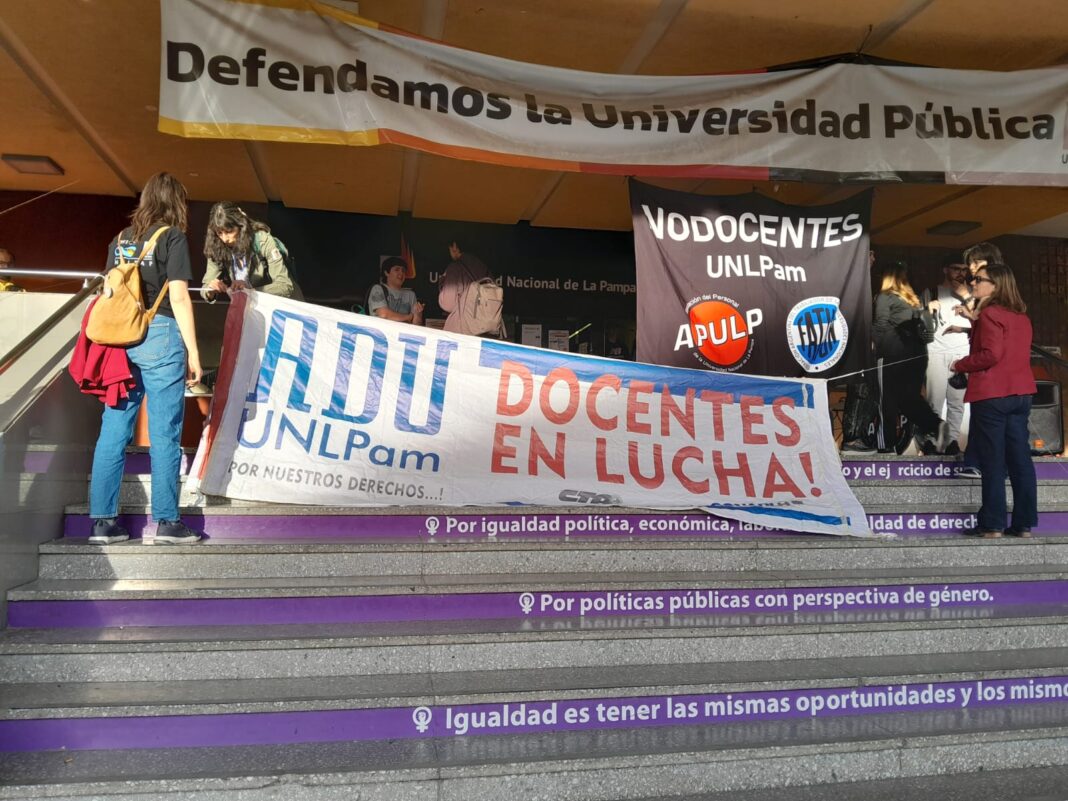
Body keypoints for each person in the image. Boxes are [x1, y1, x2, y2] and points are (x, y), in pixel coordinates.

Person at [88, 172, 203, 545]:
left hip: (119, 341)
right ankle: (167, 522)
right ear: (177, 203)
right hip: (160, 335)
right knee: (164, 431)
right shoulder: (171, 237)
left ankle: (103, 523)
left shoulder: (119, 240)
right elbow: (181, 297)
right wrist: (194, 352)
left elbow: (108, 291)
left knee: (113, 429)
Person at [950, 263, 1037, 538]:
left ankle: (992, 524)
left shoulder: (989, 314)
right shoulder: (1021, 317)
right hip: (1021, 394)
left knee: (993, 460)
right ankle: (1023, 524)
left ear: (995, 285)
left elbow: (991, 354)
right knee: (1020, 459)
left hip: (992, 395)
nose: (973, 283)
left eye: (979, 279)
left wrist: (960, 364)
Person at [872, 261, 945, 454]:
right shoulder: (913, 301)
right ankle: (935, 424)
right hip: (918, 357)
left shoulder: (885, 297)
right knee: (909, 399)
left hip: (891, 355)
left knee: (886, 400)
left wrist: (871, 346)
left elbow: (880, 325)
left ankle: (884, 445)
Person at [952, 242, 1004, 477]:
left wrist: (968, 306)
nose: (971, 269)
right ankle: (979, 462)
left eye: (976, 263)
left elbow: (990, 330)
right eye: (971, 263)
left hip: (990, 371)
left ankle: (978, 463)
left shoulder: (994, 293)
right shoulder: (994, 294)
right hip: (987, 368)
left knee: (987, 419)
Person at [203, 202, 303, 302]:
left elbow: (284, 285)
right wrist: (210, 290)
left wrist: (250, 291)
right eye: (219, 233)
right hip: (251, 310)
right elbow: (206, 286)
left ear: (241, 226)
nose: (225, 239)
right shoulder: (216, 246)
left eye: (229, 231)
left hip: (282, 307)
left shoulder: (262, 240)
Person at [924, 257, 973, 455]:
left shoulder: (970, 295)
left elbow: (982, 323)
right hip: (935, 351)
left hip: (962, 352)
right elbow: (920, 321)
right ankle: (932, 439)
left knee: (957, 401)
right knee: (934, 399)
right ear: (945, 269)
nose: (960, 273)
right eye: (955, 269)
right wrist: (926, 310)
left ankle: (952, 440)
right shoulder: (932, 292)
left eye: (964, 270)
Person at [438, 239, 490, 333]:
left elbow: (448, 304)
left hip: (462, 329)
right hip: (484, 329)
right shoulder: (483, 266)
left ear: (454, 246)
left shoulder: (455, 268)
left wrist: (442, 283)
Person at [368, 256, 424, 325]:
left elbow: (416, 325)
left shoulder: (411, 294)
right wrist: (408, 317)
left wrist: (418, 314)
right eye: (397, 269)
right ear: (386, 273)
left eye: (403, 270)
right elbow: (384, 314)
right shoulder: (377, 289)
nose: (401, 273)